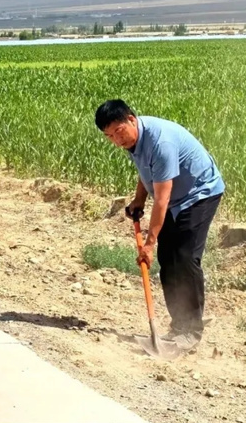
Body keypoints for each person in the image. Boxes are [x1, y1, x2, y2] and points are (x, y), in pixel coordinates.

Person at [94, 99, 225, 351]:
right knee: (168, 260)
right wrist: (139, 199)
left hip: (199, 194)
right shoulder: (134, 140)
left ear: (131, 119)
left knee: (185, 258)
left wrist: (149, 244)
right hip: (175, 198)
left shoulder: (160, 142)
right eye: (109, 136)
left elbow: (162, 199)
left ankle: (191, 331)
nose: (117, 141)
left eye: (118, 132)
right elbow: (147, 172)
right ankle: (179, 326)